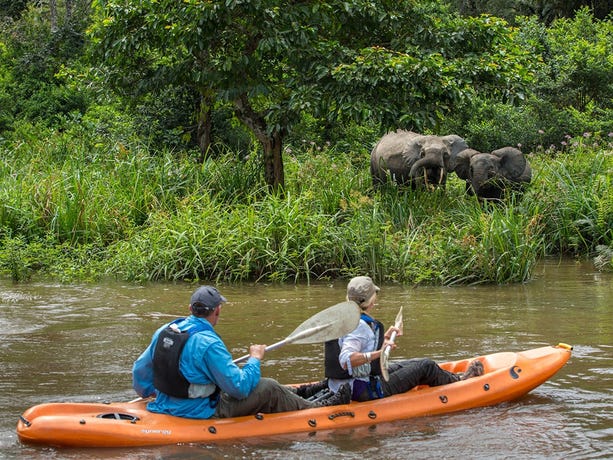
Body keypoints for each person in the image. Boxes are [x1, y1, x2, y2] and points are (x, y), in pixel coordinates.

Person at [132, 285, 351, 419]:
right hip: (199, 411)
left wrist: (150, 393)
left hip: (165, 403)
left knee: (248, 380)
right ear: (217, 310)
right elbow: (240, 389)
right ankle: (317, 406)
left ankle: (303, 391)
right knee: (268, 387)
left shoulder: (165, 330)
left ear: (190, 309)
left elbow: (139, 371)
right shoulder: (209, 343)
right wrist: (255, 359)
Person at [319, 276, 484, 402]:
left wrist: (384, 338)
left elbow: (354, 344)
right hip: (361, 390)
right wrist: (380, 352)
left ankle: (453, 377)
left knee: (414, 363)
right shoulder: (361, 326)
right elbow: (346, 358)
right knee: (426, 366)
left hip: (342, 384)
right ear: (370, 302)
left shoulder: (345, 318)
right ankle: (462, 381)